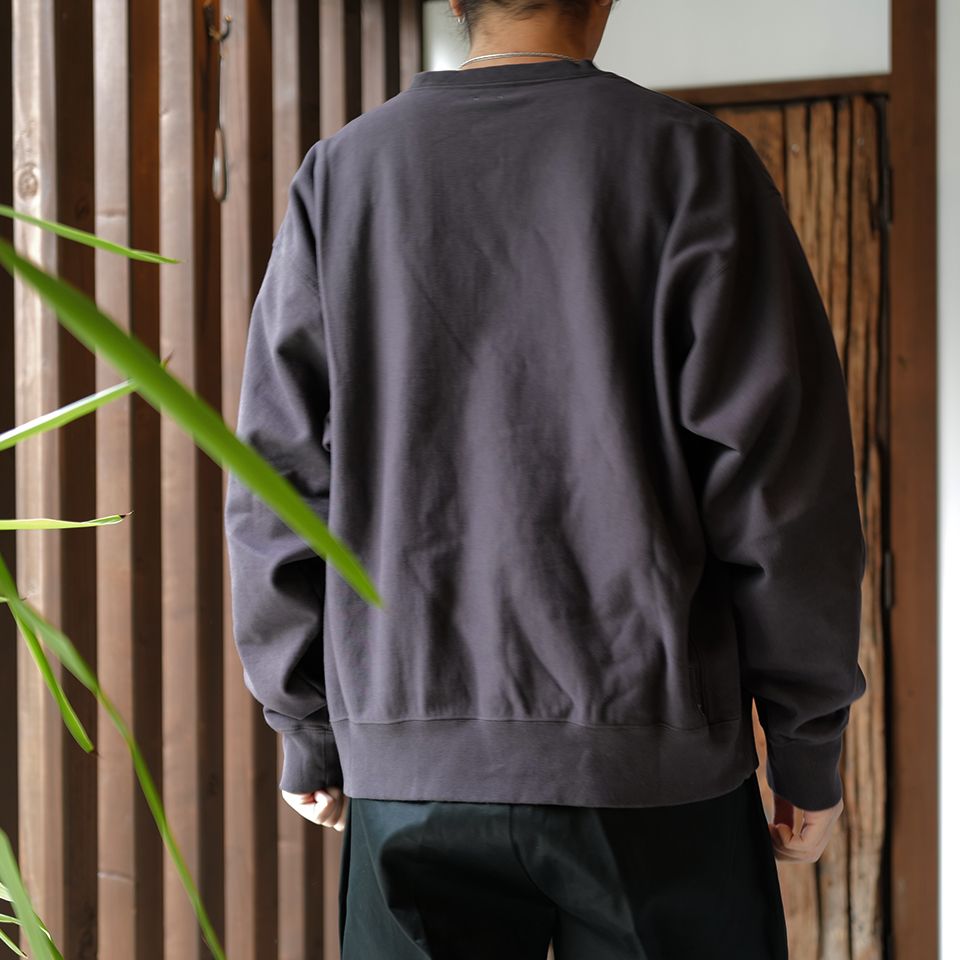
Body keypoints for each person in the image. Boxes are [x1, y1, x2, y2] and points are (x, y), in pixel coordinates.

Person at [223, 0, 868, 956]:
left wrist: (306, 721)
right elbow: (782, 488)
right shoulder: (694, 161)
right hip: (653, 776)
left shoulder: (344, 175)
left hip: (413, 766)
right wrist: (806, 743)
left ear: (456, 2)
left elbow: (276, 478)